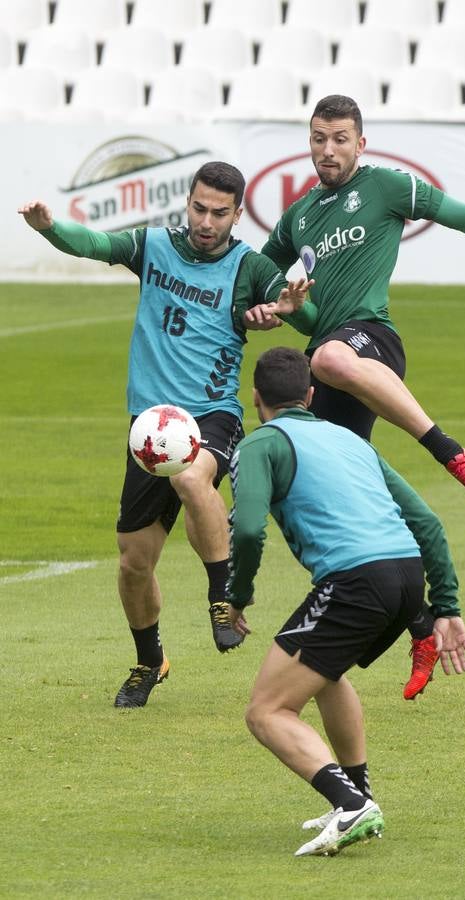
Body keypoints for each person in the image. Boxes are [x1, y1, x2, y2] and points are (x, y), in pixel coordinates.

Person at [248, 93, 465, 697]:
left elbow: (464, 215)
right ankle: (427, 620)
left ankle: (449, 450)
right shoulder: (298, 216)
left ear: (361, 142)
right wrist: (272, 307)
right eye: (318, 137)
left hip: (369, 345)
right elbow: (264, 278)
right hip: (329, 368)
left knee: (330, 354)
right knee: (346, 494)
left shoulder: (385, 186)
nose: (327, 149)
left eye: (339, 138)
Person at [18, 162, 310, 709]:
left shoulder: (250, 267)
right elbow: (96, 241)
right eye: (198, 208)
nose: (205, 220)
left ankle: (222, 597)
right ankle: (150, 661)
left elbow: (300, 311)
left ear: (237, 214)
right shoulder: (153, 245)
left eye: (218, 212)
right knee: (133, 563)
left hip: (211, 415)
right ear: (188, 204)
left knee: (195, 479)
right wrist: (50, 228)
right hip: (151, 429)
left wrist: (289, 310)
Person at [226, 347, 465, 857]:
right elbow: (426, 522)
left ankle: (349, 804)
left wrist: (237, 596)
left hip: (356, 581)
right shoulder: (347, 438)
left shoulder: (259, 445)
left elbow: (247, 528)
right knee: (325, 674)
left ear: (255, 399)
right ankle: (359, 794)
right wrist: (444, 604)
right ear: (311, 395)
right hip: (406, 576)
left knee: (267, 712)